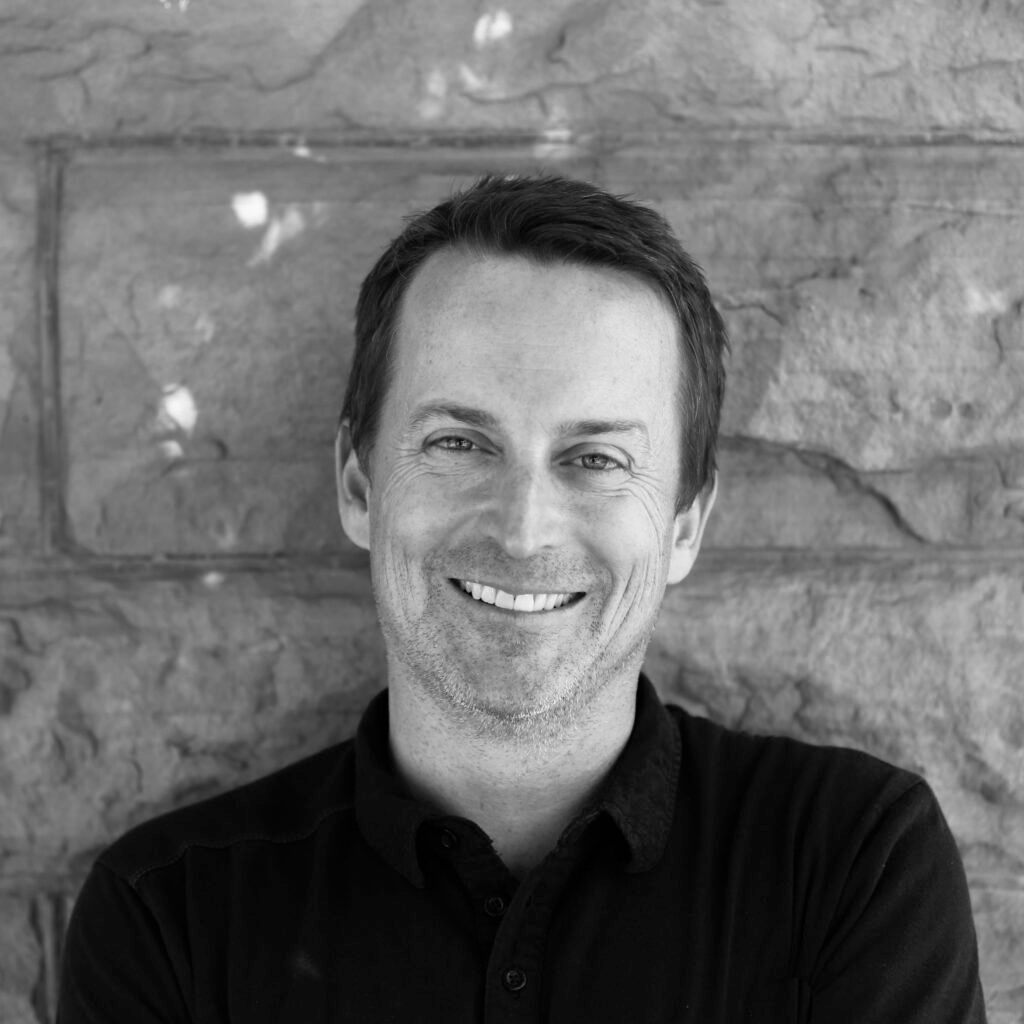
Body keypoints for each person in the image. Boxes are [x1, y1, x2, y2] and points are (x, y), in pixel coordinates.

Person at [58, 174, 986, 1023]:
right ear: (357, 484)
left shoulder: (850, 863)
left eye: (595, 460)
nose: (525, 529)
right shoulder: (169, 919)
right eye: (461, 444)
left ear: (684, 526)